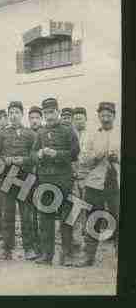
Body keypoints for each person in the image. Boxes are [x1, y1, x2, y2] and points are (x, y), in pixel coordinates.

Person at [31, 98, 80, 266]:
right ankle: (47, 255)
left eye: (51, 112)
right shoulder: (40, 132)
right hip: (45, 180)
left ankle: (67, 254)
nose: (49, 116)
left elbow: (74, 153)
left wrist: (56, 154)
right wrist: (39, 154)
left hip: (63, 180)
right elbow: (32, 154)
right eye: (46, 113)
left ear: (57, 112)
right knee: (45, 218)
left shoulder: (68, 131)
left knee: (66, 218)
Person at [0, 101, 39, 261]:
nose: (13, 115)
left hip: (25, 177)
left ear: (21, 114)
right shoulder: (3, 134)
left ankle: (29, 248)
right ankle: (7, 248)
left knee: (26, 214)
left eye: (16, 112)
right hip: (8, 177)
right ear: (8, 115)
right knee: (8, 213)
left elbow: (35, 157)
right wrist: (4, 160)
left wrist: (23, 160)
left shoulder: (30, 134)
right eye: (11, 112)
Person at [75, 102, 120, 267]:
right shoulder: (92, 135)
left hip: (115, 183)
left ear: (114, 116)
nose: (105, 118)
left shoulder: (120, 133)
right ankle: (88, 257)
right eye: (103, 115)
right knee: (92, 220)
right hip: (94, 184)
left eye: (109, 115)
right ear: (99, 116)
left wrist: (117, 158)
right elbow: (83, 160)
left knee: (118, 218)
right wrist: (97, 156)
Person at [71, 107, 89, 254]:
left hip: (89, 177)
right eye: (75, 118)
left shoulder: (92, 135)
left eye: (81, 118)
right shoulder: (69, 135)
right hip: (73, 177)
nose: (78, 121)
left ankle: (89, 240)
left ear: (85, 119)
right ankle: (76, 240)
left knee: (89, 209)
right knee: (75, 208)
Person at [27, 106, 43, 257]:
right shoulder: (26, 134)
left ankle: (45, 245)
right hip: (28, 178)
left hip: (44, 178)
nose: (34, 121)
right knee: (30, 212)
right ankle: (33, 244)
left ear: (41, 119)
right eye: (31, 118)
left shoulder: (45, 134)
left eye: (37, 118)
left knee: (44, 211)